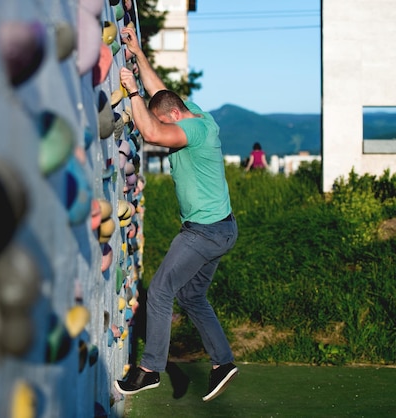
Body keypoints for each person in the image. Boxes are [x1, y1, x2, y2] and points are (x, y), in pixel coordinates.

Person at [114, 26, 239, 403]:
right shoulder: (199, 115)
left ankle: (150, 369)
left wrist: (131, 91)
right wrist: (136, 54)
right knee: (193, 295)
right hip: (224, 230)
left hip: (203, 233)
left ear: (174, 118)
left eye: (168, 123)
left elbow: (151, 131)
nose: (169, 133)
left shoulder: (191, 132)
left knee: (162, 290)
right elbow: (160, 93)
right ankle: (223, 362)